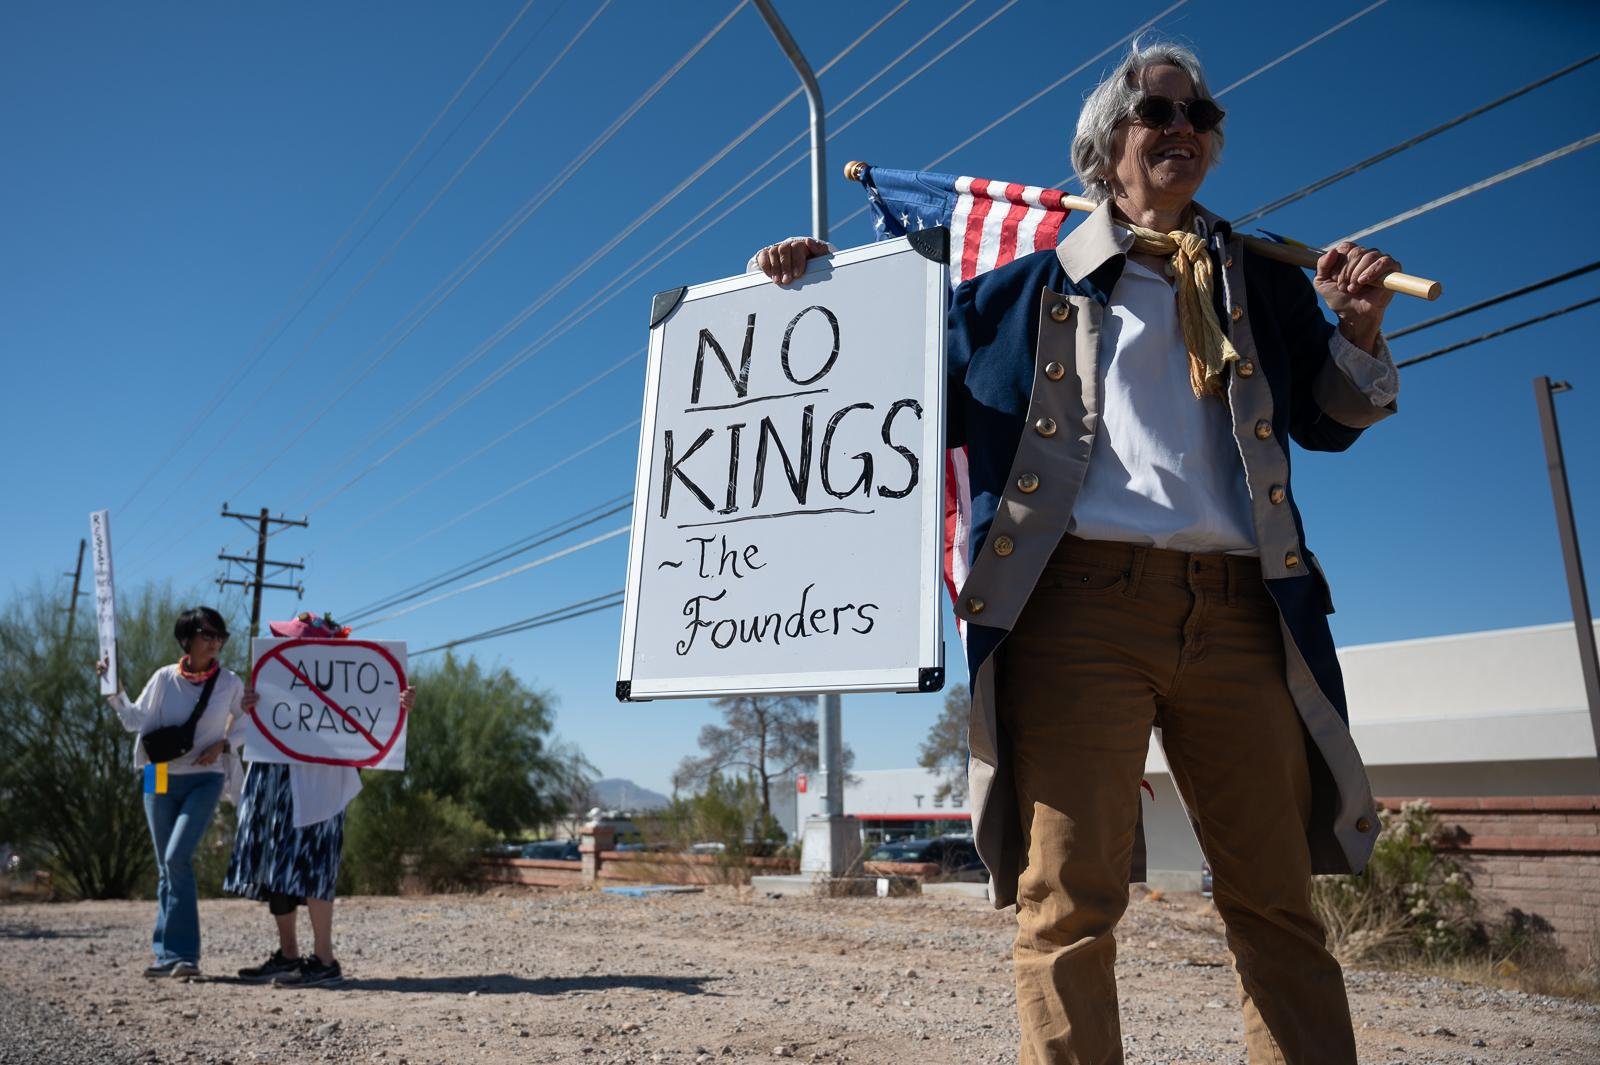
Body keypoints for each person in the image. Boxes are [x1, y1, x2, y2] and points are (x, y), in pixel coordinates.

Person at [755, 40, 1403, 1065]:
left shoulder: (1260, 277)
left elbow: (1327, 422)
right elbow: (880, 388)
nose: (1184, 127)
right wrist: (802, 293)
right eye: (1159, 112)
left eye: (1200, 112)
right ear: (1107, 150)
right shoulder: (1018, 294)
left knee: (1274, 901)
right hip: (1077, 608)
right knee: (1068, 904)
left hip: (1242, 609)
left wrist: (1357, 330)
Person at [225, 612, 414, 987]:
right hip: (272, 779)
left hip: (320, 784)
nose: (281, 643)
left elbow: (375, 714)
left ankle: (324, 959)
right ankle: (288, 955)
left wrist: (398, 702)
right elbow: (237, 735)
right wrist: (249, 708)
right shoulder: (271, 682)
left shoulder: (341, 681)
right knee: (275, 867)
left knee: (315, 866)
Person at [101, 606, 245, 979]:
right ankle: (166, 954)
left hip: (205, 778)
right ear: (187, 639)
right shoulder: (165, 678)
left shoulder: (230, 683)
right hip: (157, 775)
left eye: (220, 636)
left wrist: (225, 745)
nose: (215, 642)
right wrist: (113, 691)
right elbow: (135, 720)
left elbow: (249, 726)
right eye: (207, 635)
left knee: (177, 857)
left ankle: (184, 955)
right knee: (165, 864)